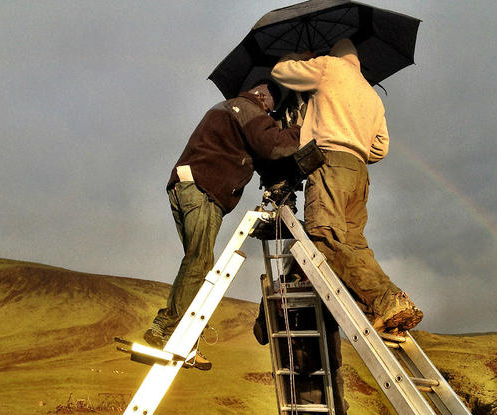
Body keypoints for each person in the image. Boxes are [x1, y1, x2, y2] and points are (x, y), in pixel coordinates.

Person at [144, 80, 301, 370]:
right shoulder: (250, 111)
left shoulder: (228, 108)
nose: (273, 109)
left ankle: (163, 329)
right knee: (200, 261)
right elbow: (273, 145)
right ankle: (176, 336)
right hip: (203, 190)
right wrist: (301, 131)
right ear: (263, 95)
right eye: (273, 102)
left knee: (194, 260)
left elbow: (252, 149)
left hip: (183, 187)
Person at [271, 38, 423, 335]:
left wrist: (301, 57)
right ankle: (390, 304)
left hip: (329, 163)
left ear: (335, 54)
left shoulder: (329, 67)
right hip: (359, 172)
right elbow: (381, 148)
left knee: (323, 237)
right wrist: (357, 146)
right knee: (354, 244)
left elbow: (281, 72)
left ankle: (384, 299)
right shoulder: (372, 94)